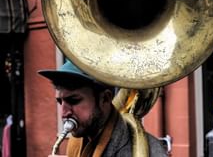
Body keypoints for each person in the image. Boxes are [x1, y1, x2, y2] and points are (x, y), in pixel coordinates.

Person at [39, 60, 167, 157]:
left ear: (105, 99)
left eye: (74, 100)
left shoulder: (152, 151)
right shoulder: (77, 141)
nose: (64, 113)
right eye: (60, 101)